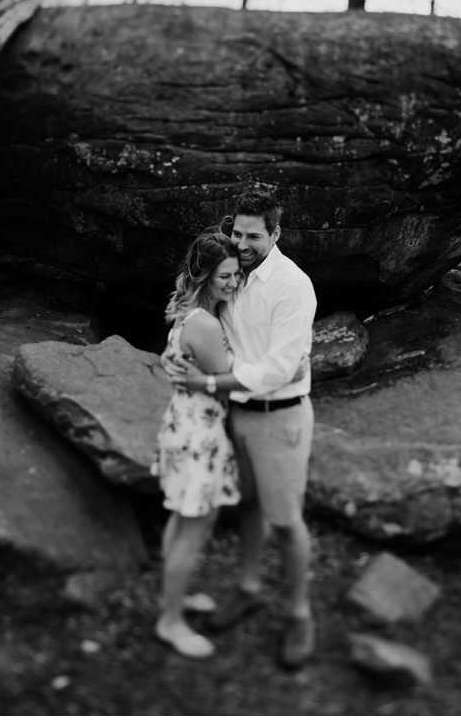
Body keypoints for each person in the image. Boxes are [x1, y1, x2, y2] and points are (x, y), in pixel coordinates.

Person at [165, 189, 318, 670]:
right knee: (249, 505)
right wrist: (177, 351)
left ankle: (299, 613)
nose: (243, 241)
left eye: (255, 234)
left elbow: (279, 370)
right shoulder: (231, 274)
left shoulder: (292, 285)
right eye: (237, 232)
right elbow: (200, 318)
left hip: (281, 416)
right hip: (238, 414)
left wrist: (209, 379)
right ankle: (249, 588)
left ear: (276, 233)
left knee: (287, 520)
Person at [153, 228, 243, 659]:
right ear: (205, 276)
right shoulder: (206, 325)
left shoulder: (190, 312)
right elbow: (228, 384)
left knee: (181, 517)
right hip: (199, 436)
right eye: (225, 275)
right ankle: (171, 621)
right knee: (196, 526)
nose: (233, 282)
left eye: (236, 274)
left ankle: (174, 595)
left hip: (183, 425)